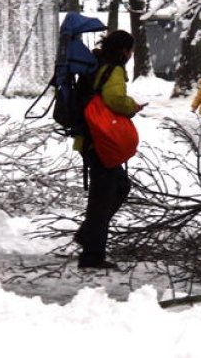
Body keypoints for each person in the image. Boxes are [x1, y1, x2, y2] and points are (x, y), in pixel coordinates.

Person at [74, 29, 144, 270]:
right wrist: (132, 106)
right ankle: (92, 257)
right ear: (124, 51)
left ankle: (88, 234)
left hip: (92, 139)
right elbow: (114, 99)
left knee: (120, 187)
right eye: (131, 50)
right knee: (101, 199)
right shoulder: (112, 69)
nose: (131, 55)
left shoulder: (98, 65)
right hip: (100, 141)